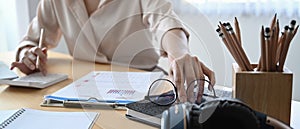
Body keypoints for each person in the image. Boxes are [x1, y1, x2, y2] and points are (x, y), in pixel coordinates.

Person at [10, 0, 215, 103]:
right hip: (81, 90)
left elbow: (164, 19)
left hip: (139, 86)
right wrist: (28, 56)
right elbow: (32, 40)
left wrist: (179, 55)